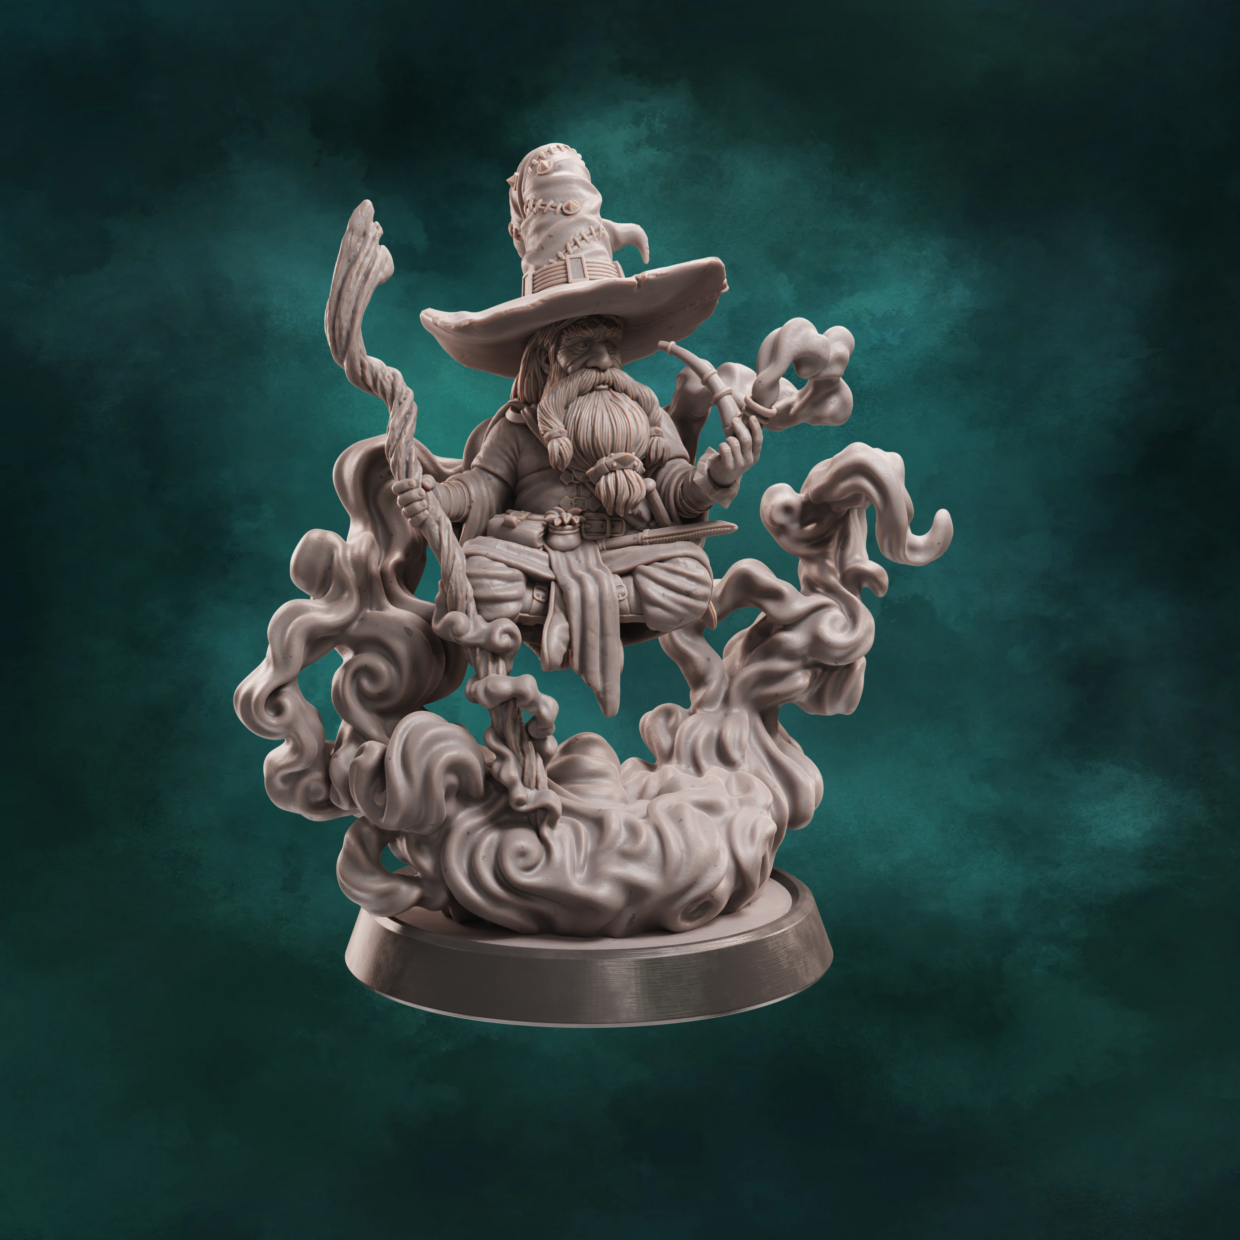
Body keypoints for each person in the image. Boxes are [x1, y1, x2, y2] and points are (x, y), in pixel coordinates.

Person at [394, 143, 763, 715]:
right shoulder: (519, 428)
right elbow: (484, 484)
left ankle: (578, 602)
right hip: (538, 558)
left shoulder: (643, 415)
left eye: (611, 345)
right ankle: (563, 598)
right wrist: (439, 498)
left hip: (629, 557)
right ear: (547, 358)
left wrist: (712, 481)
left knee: (693, 579)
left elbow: (674, 487)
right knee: (478, 575)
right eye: (583, 346)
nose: (603, 361)